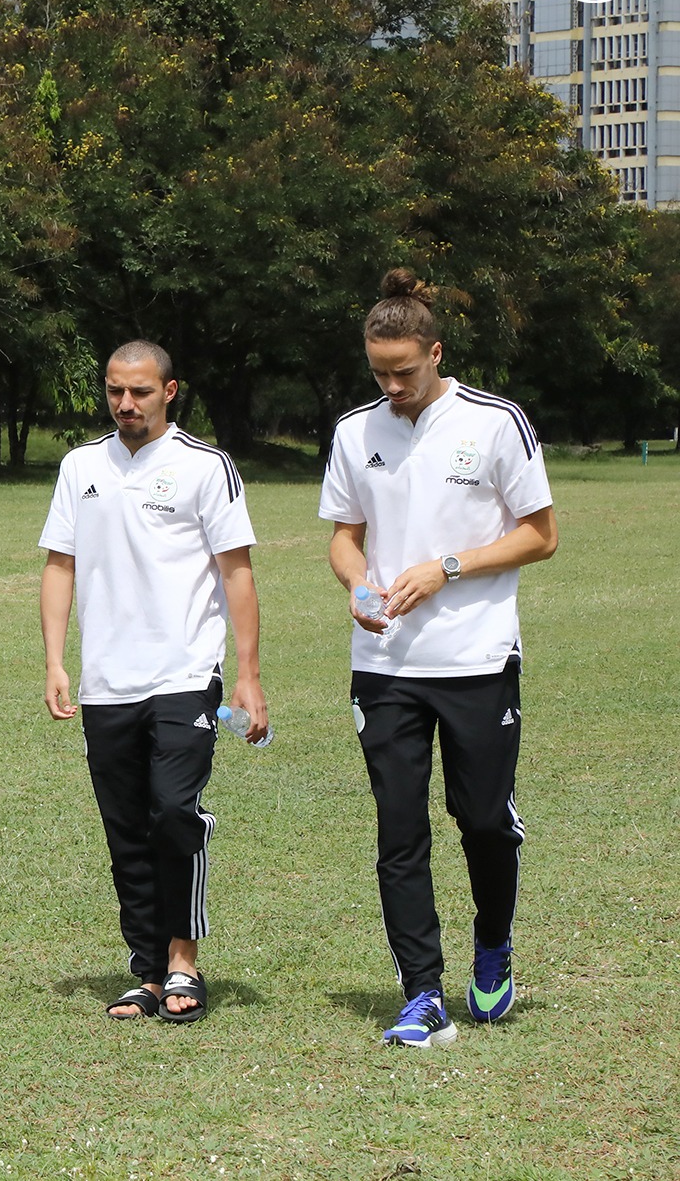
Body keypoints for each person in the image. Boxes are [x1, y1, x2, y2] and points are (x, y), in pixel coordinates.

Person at [320, 270, 558, 1049]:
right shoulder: (355, 431)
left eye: (403, 371)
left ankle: (493, 944)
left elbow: (540, 534)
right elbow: (344, 537)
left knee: (483, 820)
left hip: (476, 657)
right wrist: (358, 584)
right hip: (385, 663)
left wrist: (447, 567)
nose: (391, 387)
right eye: (378, 373)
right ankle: (422, 991)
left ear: (435, 352)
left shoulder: (495, 422)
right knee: (399, 831)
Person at [39, 340, 267, 1023]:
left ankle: (183, 959)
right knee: (126, 827)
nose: (125, 403)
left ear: (169, 391)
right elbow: (59, 565)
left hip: (184, 673)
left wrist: (248, 675)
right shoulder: (81, 466)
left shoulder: (205, 466)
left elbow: (236, 572)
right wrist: (55, 660)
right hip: (107, 680)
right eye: (115, 390)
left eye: (139, 391)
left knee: (173, 810)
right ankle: (146, 969)